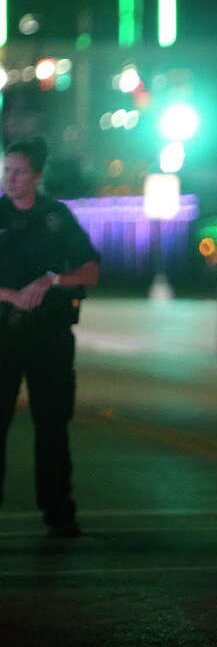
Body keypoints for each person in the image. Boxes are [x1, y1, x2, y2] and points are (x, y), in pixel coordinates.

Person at [0, 137, 100, 538]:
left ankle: (59, 511)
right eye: (7, 170)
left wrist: (53, 280)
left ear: (38, 175)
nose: (11, 178)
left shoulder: (57, 217)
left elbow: (90, 270)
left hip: (49, 338)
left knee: (53, 427)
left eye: (19, 171)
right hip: (3, 336)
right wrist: (10, 295)